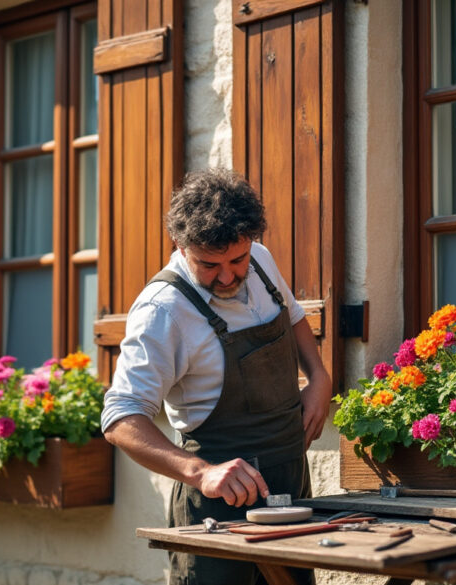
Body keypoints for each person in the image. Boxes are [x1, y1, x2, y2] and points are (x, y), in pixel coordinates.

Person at [101, 168, 332, 585]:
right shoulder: (162, 311)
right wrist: (200, 473)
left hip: (290, 494)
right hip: (217, 514)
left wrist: (318, 376)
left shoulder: (260, 260)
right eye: (209, 265)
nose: (227, 277)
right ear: (181, 246)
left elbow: (295, 316)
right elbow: (120, 418)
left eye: (236, 260)